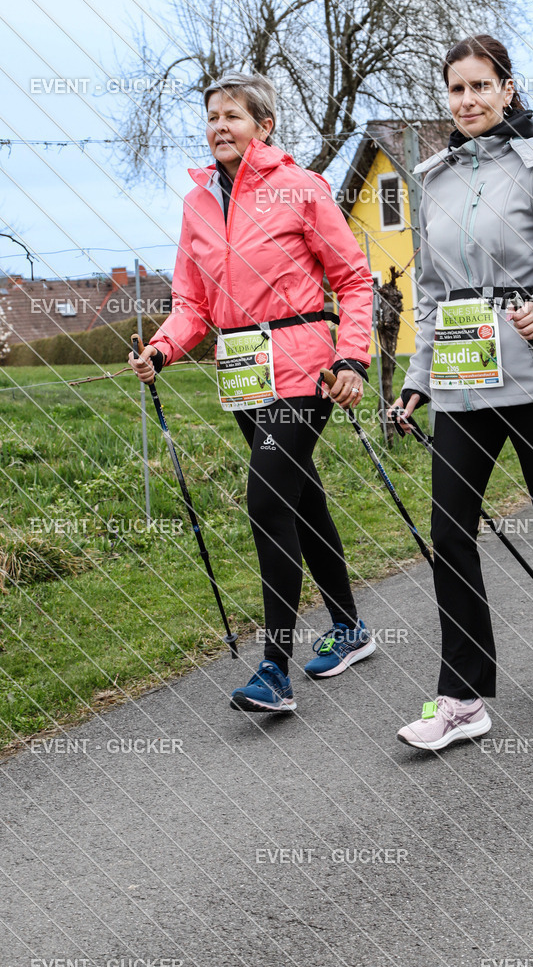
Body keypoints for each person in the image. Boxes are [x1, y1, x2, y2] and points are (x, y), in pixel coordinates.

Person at [390, 35, 533, 752]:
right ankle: (462, 695)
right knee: (449, 529)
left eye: (481, 86)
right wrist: (417, 381)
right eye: (456, 90)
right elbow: (429, 293)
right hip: (461, 377)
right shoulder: (435, 178)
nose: (468, 101)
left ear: (508, 90)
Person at [129, 72, 375, 713]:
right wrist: (162, 347)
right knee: (300, 498)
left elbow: (352, 279)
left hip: (305, 366)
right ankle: (349, 627)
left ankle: (274, 669)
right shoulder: (198, 204)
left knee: (267, 498)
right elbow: (191, 302)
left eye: (232, 115)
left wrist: (353, 356)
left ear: (263, 126)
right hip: (241, 372)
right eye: (211, 116)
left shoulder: (301, 188)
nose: (218, 127)